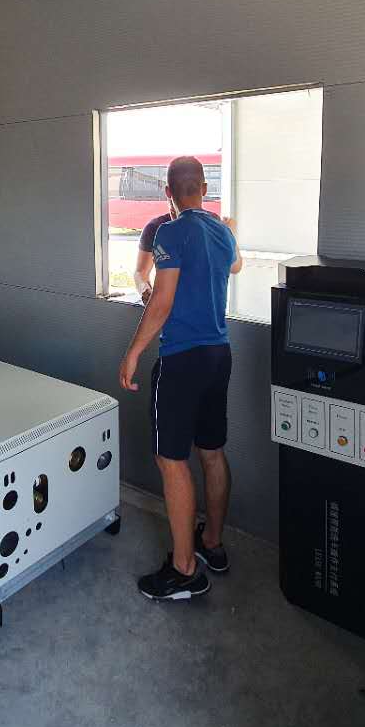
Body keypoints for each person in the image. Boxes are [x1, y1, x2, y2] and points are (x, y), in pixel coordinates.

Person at [119, 157, 243, 601]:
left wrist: (134, 352)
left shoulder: (171, 232)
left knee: (171, 460)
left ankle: (185, 570)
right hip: (219, 355)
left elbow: (162, 300)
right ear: (204, 188)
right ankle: (212, 543)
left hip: (182, 361)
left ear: (168, 192)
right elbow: (235, 267)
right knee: (212, 452)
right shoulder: (222, 232)